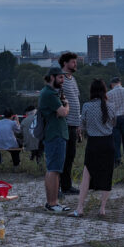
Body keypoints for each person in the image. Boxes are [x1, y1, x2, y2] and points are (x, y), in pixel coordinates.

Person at [69, 79, 115, 218]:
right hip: (108, 143)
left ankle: (80, 208)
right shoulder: (110, 106)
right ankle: (102, 208)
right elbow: (114, 123)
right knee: (107, 174)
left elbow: (81, 126)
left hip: (93, 143)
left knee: (86, 175)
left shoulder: (86, 106)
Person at [39, 67, 71, 212]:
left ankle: (52, 202)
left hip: (55, 134)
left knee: (54, 169)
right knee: (54, 170)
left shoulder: (49, 93)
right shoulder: (50, 94)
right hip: (55, 134)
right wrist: (66, 103)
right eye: (60, 78)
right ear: (52, 77)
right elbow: (63, 112)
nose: (62, 80)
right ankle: (52, 203)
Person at [59, 52, 81, 195]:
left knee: (70, 155)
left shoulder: (72, 79)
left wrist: (78, 124)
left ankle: (67, 185)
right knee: (63, 156)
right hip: (64, 122)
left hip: (73, 123)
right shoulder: (60, 78)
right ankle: (61, 185)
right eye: (73, 62)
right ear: (65, 63)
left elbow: (76, 98)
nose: (75, 64)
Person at [107, 77, 124, 167]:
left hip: (114, 119)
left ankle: (117, 161)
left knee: (116, 142)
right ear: (120, 83)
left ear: (112, 84)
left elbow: (107, 109)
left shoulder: (109, 94)